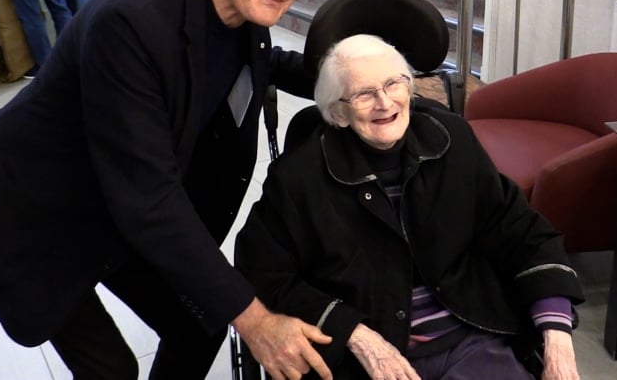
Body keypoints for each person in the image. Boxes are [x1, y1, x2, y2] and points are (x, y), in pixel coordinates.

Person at [0, 0, 333, 380]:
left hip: (108, 202)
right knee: (111, 369)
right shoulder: (131, 20)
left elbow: (269, 62)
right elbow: (148, 195)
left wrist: (361, 81)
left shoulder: (239, 6)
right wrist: (257, 321)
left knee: (199, 322)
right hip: (28, 209)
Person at [236, 34, 585, 380]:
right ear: (339, 113)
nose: (385, 103)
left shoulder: (452, 141)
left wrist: (557, 339)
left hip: (469, 337)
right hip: (361, 357)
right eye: (364, 93)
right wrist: (357, 335)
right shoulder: (300, 176)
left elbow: (522, 232)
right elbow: (265, 273)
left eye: (393, 84)